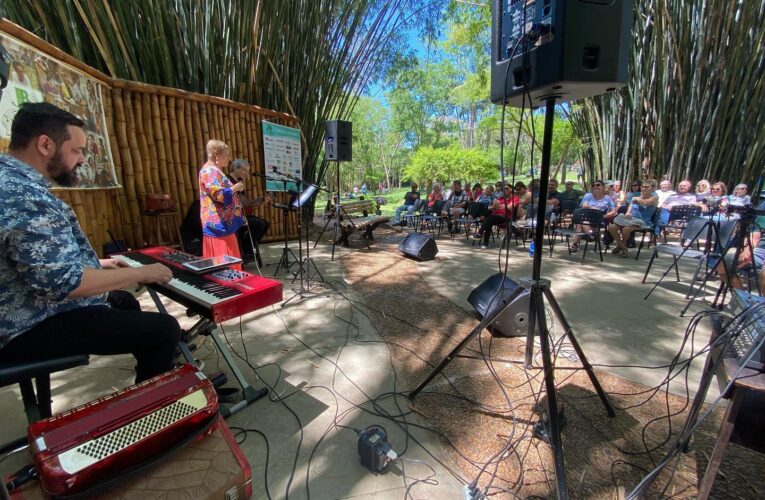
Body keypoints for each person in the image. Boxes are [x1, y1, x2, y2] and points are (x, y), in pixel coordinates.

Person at [0, 102, 180, 384]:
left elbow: (34, 260)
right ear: (45, 144)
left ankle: (149, 380)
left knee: (124, 302)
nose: (82, 159)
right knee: (164, 329)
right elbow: (66, 284)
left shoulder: (12, 181)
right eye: (77, 150)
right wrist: (141, 273)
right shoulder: (24, 196)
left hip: (26, 307)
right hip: (24, 326)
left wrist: (100, 264)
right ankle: (153, 413)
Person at [199, 139, 246, 270]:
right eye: (226, 154)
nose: (228, 158)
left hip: (222, 223)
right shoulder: (210, 171)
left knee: (228, 261)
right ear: (216, 154)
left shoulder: (214, 170)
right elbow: (218, 195)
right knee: (226, 263)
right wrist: (236, 187)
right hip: (218, 224)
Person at [226, 158, 272, 267]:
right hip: (232, 217)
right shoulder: (229, 180)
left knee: (265, 224)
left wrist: (261, 200)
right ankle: (247, 250)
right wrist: (261, 199)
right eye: (245, 170)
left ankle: (247, 249)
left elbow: (245, 204)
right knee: (260, 224)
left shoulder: (238, 181)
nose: (247, 174)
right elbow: (245, 203)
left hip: (241, 215)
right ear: (236, 168)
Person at [607, 179, 658, 258]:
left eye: (646, 187)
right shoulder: (637, 197)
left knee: (625, 229)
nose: (643, 188)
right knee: (611, 227)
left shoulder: (654, 197)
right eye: (643, 186)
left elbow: (645, 203)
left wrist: (637, 198)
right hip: (631, 220)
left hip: (643, 221)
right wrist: (627, 214)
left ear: (652, 188)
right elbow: (628, 211)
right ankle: (622, 246)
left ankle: (621, 247)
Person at [570, 180, 617, 251]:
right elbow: (584, 205)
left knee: (581, 223)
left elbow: (613, 211)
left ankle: (577, 243)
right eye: (594, 185)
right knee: (581, 222)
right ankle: (591, 235)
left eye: (598, 185)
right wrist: (592, 207)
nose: (595, 187)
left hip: (599, 219)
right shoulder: (588, 195)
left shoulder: (607, 198)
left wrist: (605, 216)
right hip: (587, 216)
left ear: (603, 187)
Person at [473, 184, 520, 249]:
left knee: (490, 218)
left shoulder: (514, 198)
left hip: (506, 217)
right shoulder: (501, 198)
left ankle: (480, 234)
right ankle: (484, 242)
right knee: (489, 220)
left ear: (511, 189)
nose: (504, 190)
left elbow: (509, 207)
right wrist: (500, 206)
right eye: (503, 188)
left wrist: (500, 206)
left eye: (506, 188)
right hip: (496, 216)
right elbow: (495, 206)